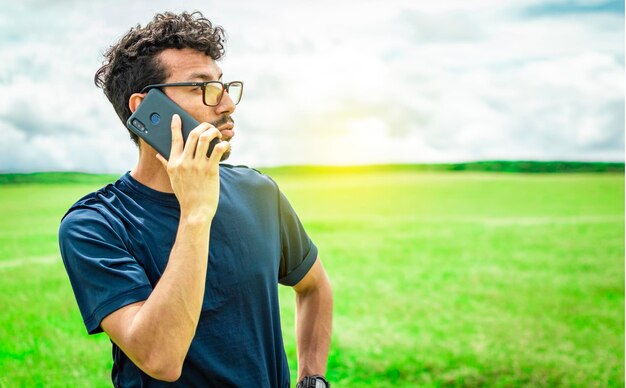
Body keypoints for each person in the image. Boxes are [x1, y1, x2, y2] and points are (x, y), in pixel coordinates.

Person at [58, 11, 333, 387]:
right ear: (146, 109)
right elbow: (160, 358)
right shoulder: (96, 225)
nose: (227, 105)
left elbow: (314, 286)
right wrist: (195, 213)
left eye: (223, 86)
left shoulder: (258, 192)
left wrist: (312, 378)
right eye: (202, 87)